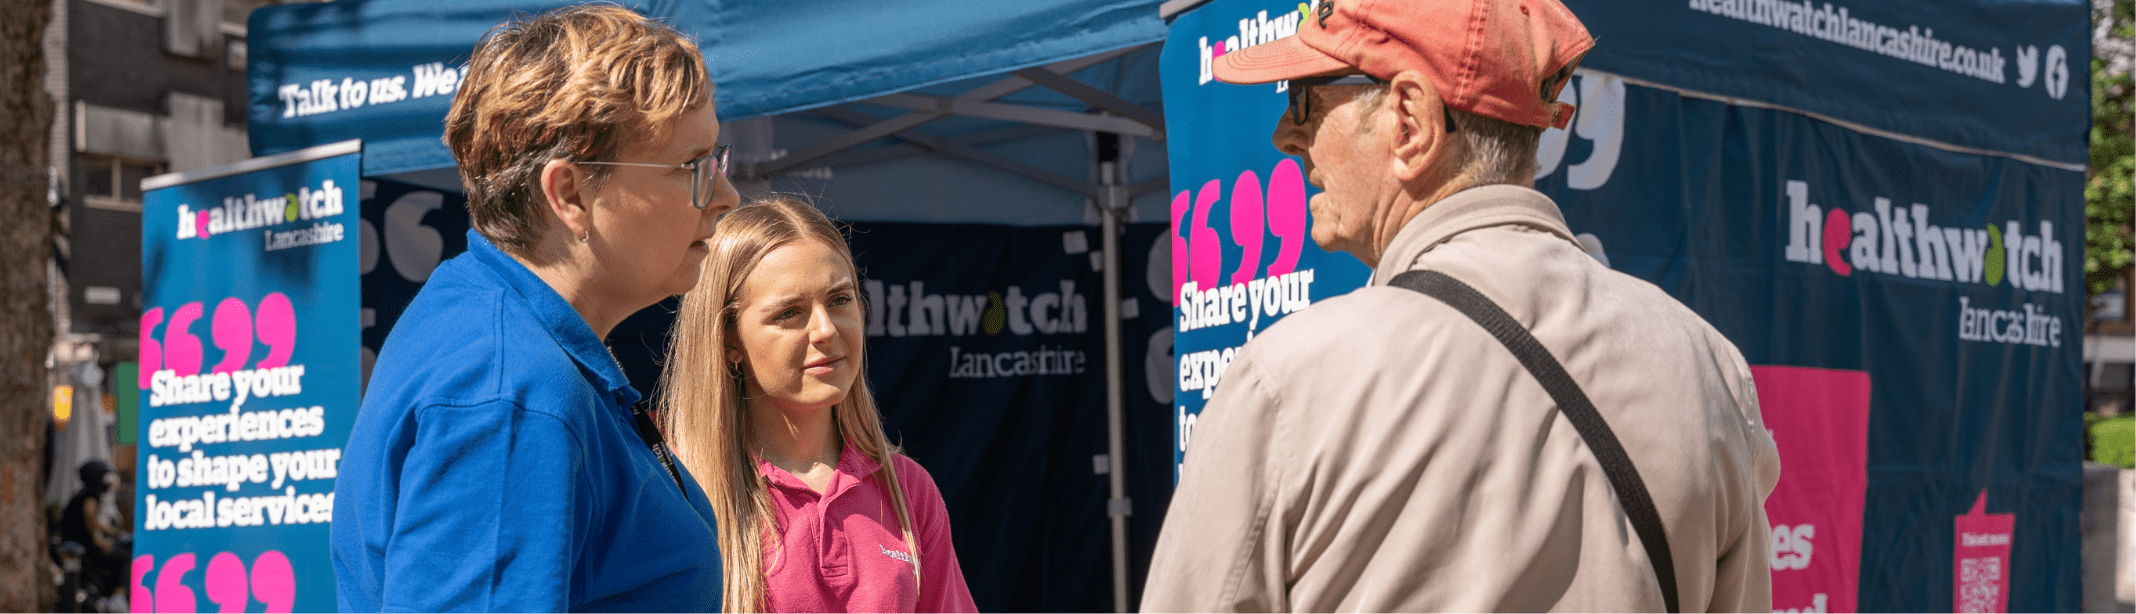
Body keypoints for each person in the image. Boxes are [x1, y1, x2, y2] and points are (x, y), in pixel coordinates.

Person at [1141, 0, 1782, 611]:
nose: (1287, 135)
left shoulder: (1287, 384)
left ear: (1411, 123)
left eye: (1304, 100)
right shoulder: (1709, 370)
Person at [331, 4, 737, 611]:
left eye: (718, 162)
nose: (726, 195)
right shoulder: (511, 390)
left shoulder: (489, 324)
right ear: (570, 193)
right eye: (692, 168)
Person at [660, 196, 976, 613]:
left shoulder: (907, 490)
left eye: (840, 300)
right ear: (729, 340)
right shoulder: (679, 495)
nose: (826, 329)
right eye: (790, 312)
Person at [58, 460, 128, 603]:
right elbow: (89, 515)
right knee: (126, 558)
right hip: (85, 547)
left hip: (75, 543)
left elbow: (91, 518)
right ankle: (118, 598)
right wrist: (99, 541)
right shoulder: (91, 494)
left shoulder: (82, 493)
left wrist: (109, 530)